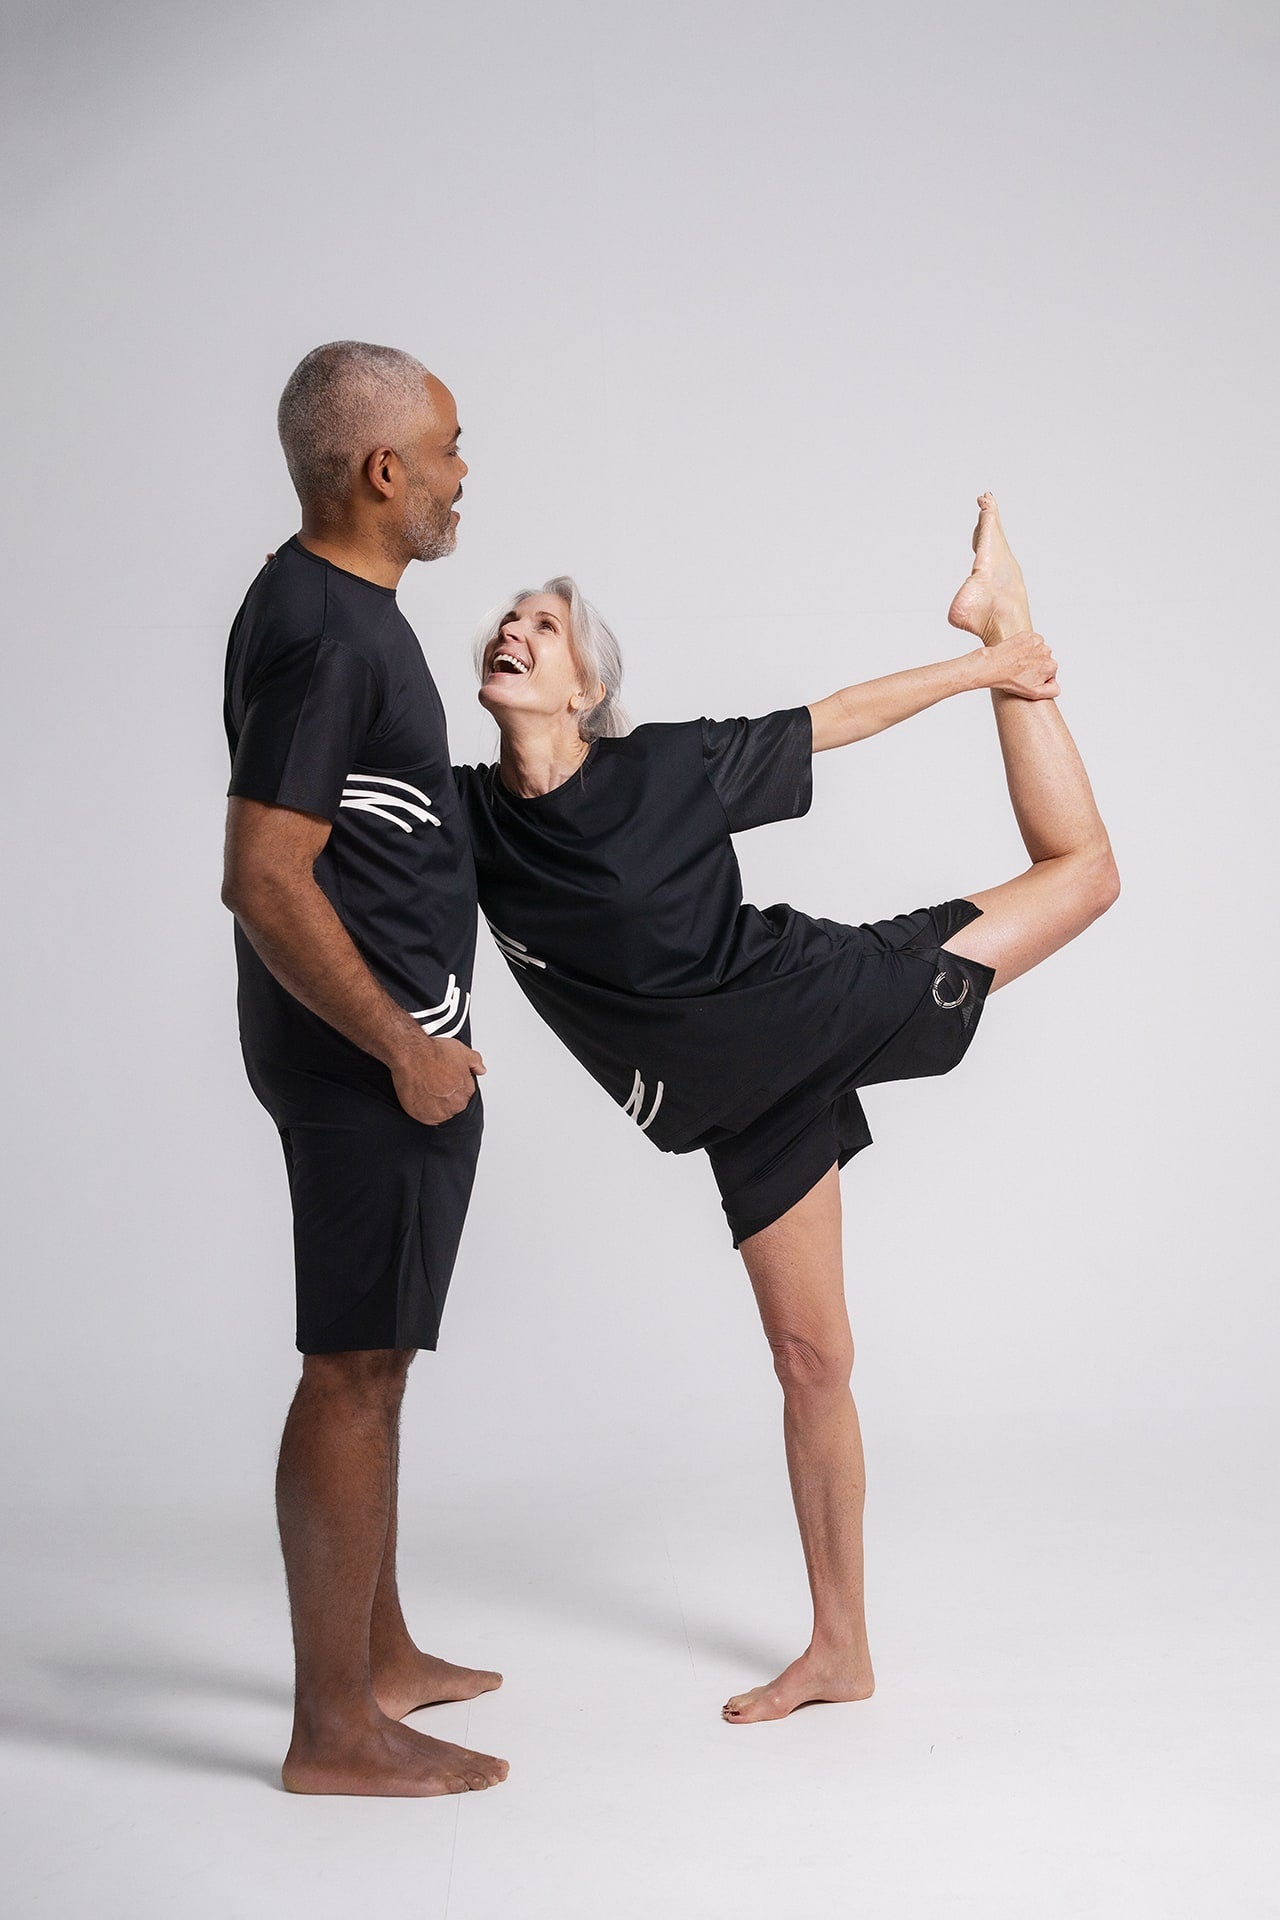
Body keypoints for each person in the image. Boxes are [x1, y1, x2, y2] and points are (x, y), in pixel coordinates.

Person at [454, 495, 1119, 1724]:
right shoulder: (469, 819)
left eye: (543, 626)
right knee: (812, 1361)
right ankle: (839, 1653)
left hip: (810, 1000)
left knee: (1082, 877)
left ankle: (1005, 625)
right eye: (509, 619)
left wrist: (985, 668)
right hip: (739, 1108)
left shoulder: (662, 767)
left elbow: (837, 717)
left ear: (583, 687)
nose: (515, 631)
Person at [221, 341, 508, 1796]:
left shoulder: (332, 605)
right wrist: (402, 1047)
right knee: (350, 1369)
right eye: (448, 448)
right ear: (385, 471)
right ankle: (333, 1728)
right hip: (364, 1064)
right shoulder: (331, 635)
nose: (463, 474)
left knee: (378, 1358)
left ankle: (377, 1654)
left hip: (377, 1054)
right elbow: (264, 875)